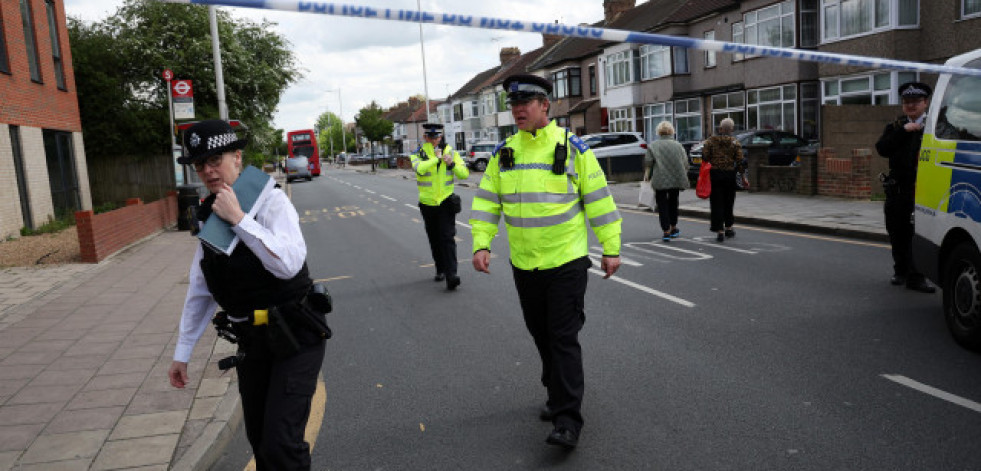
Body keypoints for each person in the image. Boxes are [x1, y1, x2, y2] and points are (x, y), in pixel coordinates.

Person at [470, 74, 622, 450]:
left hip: (566, 261)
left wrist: (611, 247)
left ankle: (568, 419)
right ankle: (555, 395)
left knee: (562, 337)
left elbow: (599, 200)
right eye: (513, 104)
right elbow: (488, 203)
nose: (518, 109)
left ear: (545, 106)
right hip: (525, 264)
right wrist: (481, 243)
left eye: (526, 102)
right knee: (541, 336)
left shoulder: (573, 150)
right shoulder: (504, 153)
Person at [167, 119, 328, 470]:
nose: (208, 171)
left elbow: (288, 264)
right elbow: (201, 286)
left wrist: (240, 219)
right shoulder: (210, 215)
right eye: (200, 165)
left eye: (216, 160)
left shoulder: (272, 203)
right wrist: (183, 353)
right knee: (261, 443)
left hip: (296, 336)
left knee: (282, 444)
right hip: (253, 343)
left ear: (237, 158)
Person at [875, 82, 936, 293]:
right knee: (896, 231)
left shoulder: (935, 127)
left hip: (922, 191)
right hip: (897, 190)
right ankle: (900, 270)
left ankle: (917, 276)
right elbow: (882, 148)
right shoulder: (895, 126)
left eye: (916, 102)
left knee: (916, 234)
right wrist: (903, 131)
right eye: (907, 102)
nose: (911, 106)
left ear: (925, 103)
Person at [410, 123, 469, 290]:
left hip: (445, 202)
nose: (434, 140)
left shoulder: (451, 152)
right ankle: (440, 269)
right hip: (427, 203)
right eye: (430, 137)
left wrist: (452, 164)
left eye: (436, 137)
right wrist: (436, 158)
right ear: (425, 137)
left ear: (441, 137)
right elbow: (419, 169)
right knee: (434, 238)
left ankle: (452, 275)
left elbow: (464, 174)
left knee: (447, 237)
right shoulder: (418, 154)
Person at [643, 120, 690, 242]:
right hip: (676, 178)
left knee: (662, 205)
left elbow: (648, 163)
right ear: (671, 131)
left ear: (659, 131)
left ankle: (666, 231)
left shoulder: (653, 145)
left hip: (660, 179)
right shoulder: (678, 145)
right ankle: (674, 227)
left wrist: (647, 176)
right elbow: (685, 163)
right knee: (674, 202)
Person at [701, 118, 743, 242]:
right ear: (731, 129)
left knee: (717, 203)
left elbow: (705, 157)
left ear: (720, 128)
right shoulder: (735, 142)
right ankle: (729, 228)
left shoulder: (710, 141)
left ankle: (719, 231)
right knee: (729, 202)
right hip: (730, 175)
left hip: (715, 175)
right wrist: (744, 177)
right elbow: (740, 161)